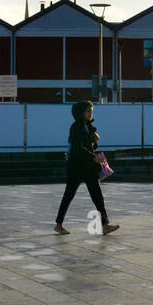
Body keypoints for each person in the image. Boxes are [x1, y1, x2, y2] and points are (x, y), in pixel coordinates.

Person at [54, 100, 119, 235]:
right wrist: (93, 157)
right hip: (77, 167)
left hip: (87, 166)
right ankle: (59, 224)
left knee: (97, 195)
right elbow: (78, 148)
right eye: (88, 111)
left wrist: (94, 140)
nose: (90, 114)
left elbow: (88, 146)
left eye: (91, 111)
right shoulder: (76, 127)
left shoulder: (87, 126)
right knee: (69, 195)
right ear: (80, 113)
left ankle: (105, 224)